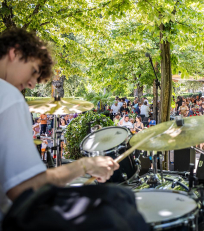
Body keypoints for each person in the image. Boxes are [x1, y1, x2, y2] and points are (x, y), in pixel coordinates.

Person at [0, 28, 119, 224]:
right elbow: (24, 190)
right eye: (34, 71)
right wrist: (85, 165)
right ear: (15, 52)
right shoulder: (8, 96)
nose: (31, 84)